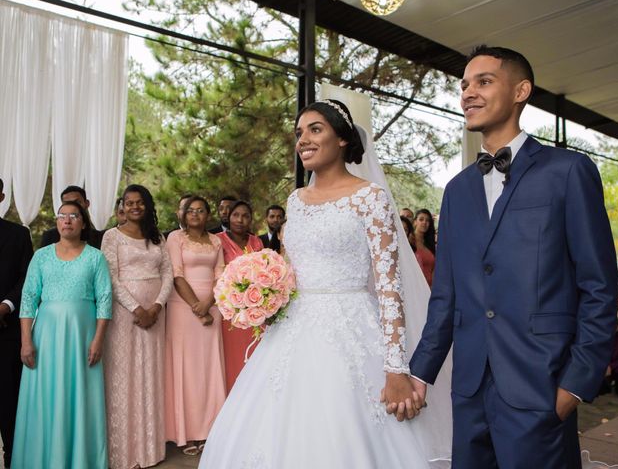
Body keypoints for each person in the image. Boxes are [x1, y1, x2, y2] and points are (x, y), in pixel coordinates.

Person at [199, 99, 452, 468]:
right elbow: (289, 268)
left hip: (351, 331)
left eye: (315, 129)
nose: (303, 139)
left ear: (343, 140)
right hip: (290, 332)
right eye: (299, 133)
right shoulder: (296, 200)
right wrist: (265, 296)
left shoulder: (370, 198)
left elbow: (389, 289)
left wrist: (397, 369)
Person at [405, 46, 617, 468]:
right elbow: (446, 294)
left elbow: (598, 285)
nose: (468, 93)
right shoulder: (457, 190)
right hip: (468, 389)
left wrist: (574, 385)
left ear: (521, 91)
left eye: (484, 82)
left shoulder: (569, 171)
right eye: (464, 85)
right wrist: (419, 373)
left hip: (541, 382)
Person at [12, 201, 112, 469]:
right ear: (57, 222)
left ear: (82, 222)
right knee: (46, 396)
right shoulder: (41, 256)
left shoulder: (95, 257)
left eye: (73, 216)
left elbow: (104, 300)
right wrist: (25, 340)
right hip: (46, 337)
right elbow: (28, 299)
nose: (67, 220)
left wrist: (98, 339)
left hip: (83, 336)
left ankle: (80, 460)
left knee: (80, 396)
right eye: (62, 216)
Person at [101, 184, 174, 469]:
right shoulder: (111, 236)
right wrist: (137, 309)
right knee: (124, 375)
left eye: (139, 202)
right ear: (122, 206)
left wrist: (156, 306)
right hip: (124, 315)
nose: (134, 207)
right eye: (129, 202)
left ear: (147, 205)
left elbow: (168, 272)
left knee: (150, 375)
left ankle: (150, 447)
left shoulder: (157, 237)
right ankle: (123, 450)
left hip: (156, 313)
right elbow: (110, 276)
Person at [165, 196, 226, 455]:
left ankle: (210, 429)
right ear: (182, 214)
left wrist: (208, 304)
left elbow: (221, 274)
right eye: (190, 210)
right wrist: (196, 306)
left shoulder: (216, 240)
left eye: (201, 210)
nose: (195, 214)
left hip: (213, 306)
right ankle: (185, 432)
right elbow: (176, 274)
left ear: (208, 215)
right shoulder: (175, 239)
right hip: (182, 306)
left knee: (209, 367)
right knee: (185, 368)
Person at [0, 178, 33, 469]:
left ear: (1, 196)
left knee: (8, 405)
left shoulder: (19, 235)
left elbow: (26, 279)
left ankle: (13, 461)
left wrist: (5, 306)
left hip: (6, 333)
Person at [216, 200, 264, 392]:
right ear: (229, 217)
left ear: (251, 220)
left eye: (245, 216)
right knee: (231, 357)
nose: (240, 220)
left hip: (253, 309)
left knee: (253, 356)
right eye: (236, 215)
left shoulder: (256, 242)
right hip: (229, 311)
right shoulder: (218, 241)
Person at [414, 209, 436, 287]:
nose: (424, 222)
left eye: (427, 220)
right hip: (415, 286)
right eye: (421, 219)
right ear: (415, 222)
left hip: (430, 288)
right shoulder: (410, 241)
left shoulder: (430, 243)